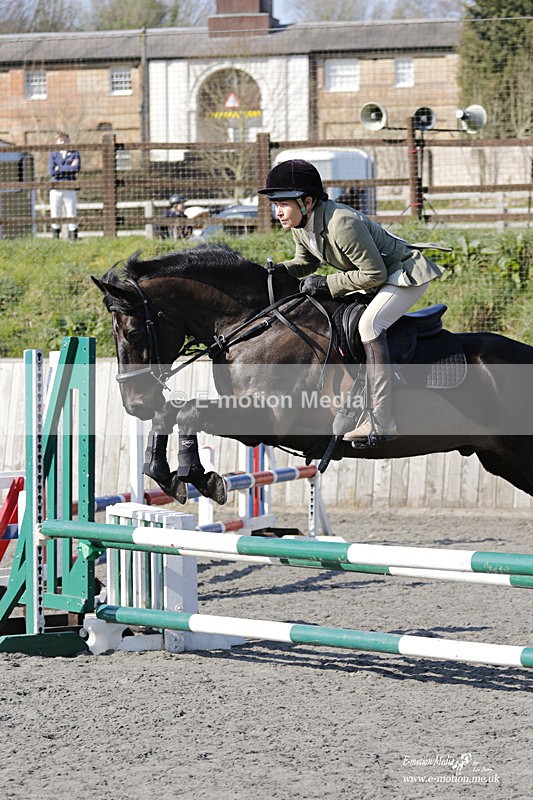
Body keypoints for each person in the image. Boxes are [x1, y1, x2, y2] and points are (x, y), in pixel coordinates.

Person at [258, 159, 446, 443]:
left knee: (370, 325)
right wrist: (278, 271)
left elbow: (373, 274)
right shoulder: (301, 224)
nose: (278, 212)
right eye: (275, 204)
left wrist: (327, 283)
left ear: (307, 202)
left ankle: (381, 419)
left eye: (283, 204)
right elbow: (305, 262)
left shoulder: (341, 223)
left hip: (404, 274)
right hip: (378, 276)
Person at [48, 132, 81, 240]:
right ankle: (55, 237)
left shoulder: (74, 154)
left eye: (65, 140)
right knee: (55, 212)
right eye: (61, 140)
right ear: (56, 142)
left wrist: (60, 168)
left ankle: (73, 237)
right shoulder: (53, 154)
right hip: (56, 188)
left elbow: (75, 169)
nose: (63, 142)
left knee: (71, 212)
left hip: (69, 187)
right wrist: (68, 167)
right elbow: (52, 171)